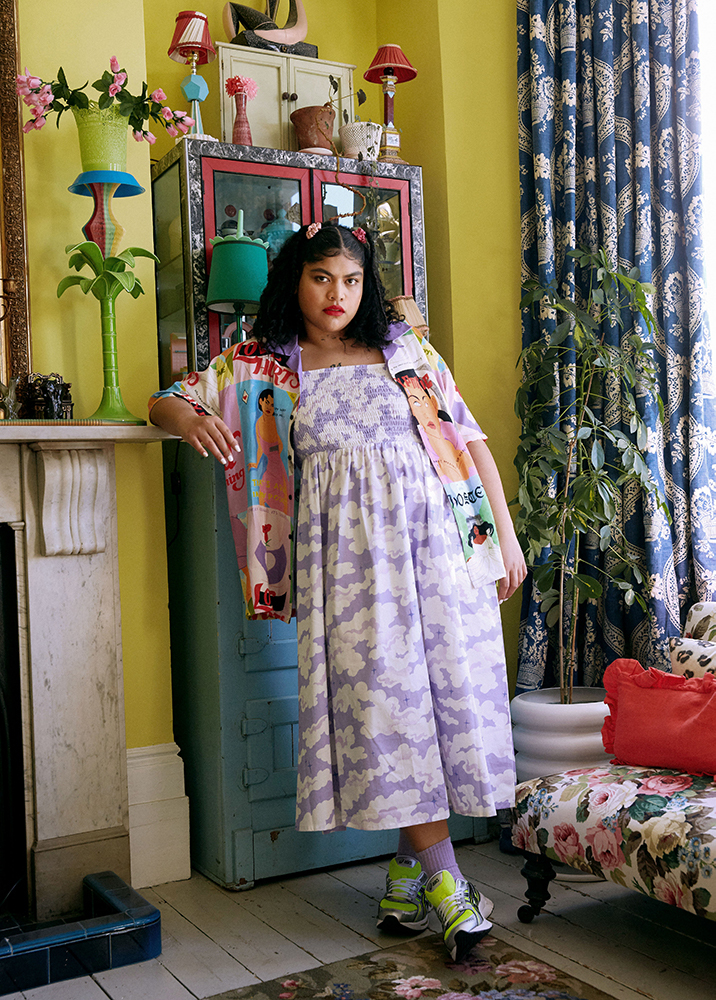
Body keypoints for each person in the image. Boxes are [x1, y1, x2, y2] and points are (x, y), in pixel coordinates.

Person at [149, 222, 527, 962]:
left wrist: (505, 539)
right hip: (352, 572)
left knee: (442, 706)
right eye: (322, 277)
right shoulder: (262, 363)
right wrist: (191, 415)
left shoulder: (406, 351)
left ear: (367, 287)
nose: (337, 294)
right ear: (296, 280)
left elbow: (468, 439)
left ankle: (406, 879)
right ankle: (447, 884)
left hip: (443, 550)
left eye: (351, 280)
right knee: (389, 707)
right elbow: (163, 399)